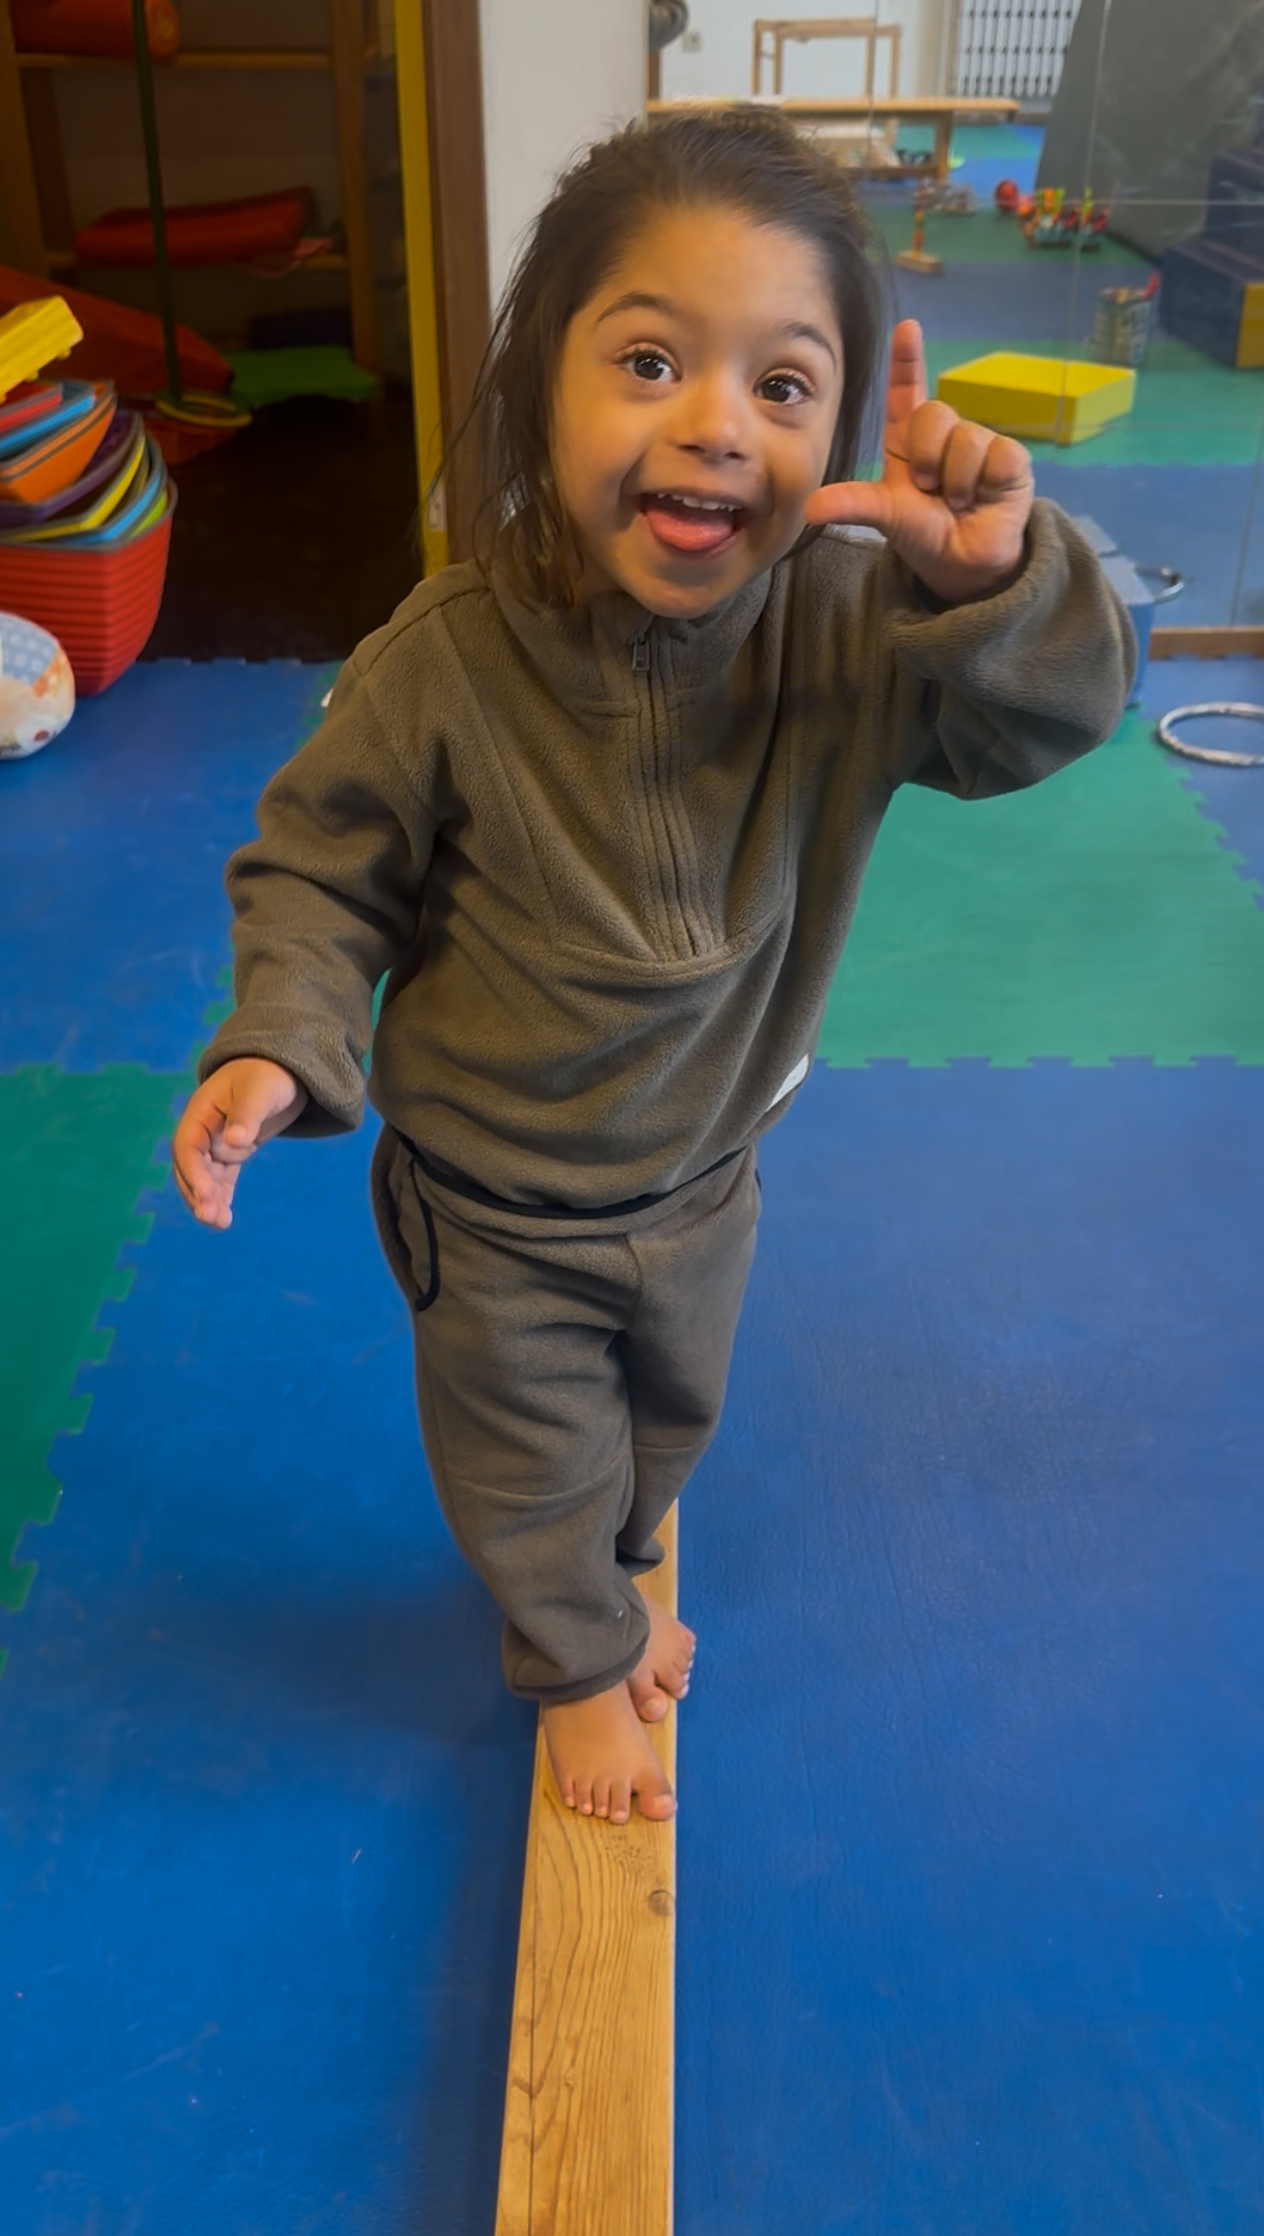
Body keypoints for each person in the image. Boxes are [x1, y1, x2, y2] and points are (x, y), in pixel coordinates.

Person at [171, 111, 1133, 1829]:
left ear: (839, 426)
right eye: (648, 360)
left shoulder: (860, 620)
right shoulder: (448, 661)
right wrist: (280, 1041)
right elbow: (323, 868)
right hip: (495, 1203)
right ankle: (566, 1663)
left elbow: (1043, 725)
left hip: (707, 1179)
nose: (714, 422)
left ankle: (610, 1583)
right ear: (547, 384)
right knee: (531, 1467)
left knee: (663, 1439)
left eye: (781, 385)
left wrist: (1003, 587)